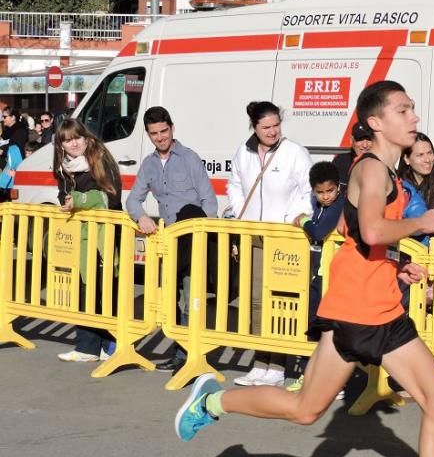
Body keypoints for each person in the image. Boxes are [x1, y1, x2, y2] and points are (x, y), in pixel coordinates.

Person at [175, 80, 434, 457]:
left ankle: (211, 403)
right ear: (376, 123)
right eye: (404, 110)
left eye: (412, 109)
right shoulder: (373, 171)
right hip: (370, 315)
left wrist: (396, 263)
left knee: (307, 410)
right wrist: (422, 225)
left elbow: (357, 239)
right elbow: (371, 226)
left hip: (359, 307)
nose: (414, 118)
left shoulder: (382, 171)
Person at [126, 106, 218, 372]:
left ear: (172, 128)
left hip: (193, 240)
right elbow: (134, 199)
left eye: (163, 131)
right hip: (167, 243)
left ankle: (191, 355)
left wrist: (204, 240)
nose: (160, 137)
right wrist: (141, 216)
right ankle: (181, 351)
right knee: (170, 299)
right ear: (148, 134)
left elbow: (208, 202)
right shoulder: (149, 164)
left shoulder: (189, 158)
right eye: (154, 133)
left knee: (192, 298)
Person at [228, 101, 313, 387]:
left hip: (283, 239)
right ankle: (260, 361)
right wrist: (242, 215)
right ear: (254, 127)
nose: (273, 131)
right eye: (266, 127)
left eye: (276, 125)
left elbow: (308, 191)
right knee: (254, 301)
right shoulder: (244, 151)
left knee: (279, 301)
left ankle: (277, 364)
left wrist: (292, 218)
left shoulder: (294, 153)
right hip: (253, 235)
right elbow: (235, 184)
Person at [53, 120, 123, 362]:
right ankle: (88, 346)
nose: (73, 143)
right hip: (81, 234)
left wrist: (79, 200)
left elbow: (111, 197)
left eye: (77, 137)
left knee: (105, 287)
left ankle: (109, 342)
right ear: (61, 144)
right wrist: (65, 199)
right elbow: (64, 192)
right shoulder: (64, 166)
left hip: (106, 232)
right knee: (85, 286)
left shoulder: (101, 157)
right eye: (67, 139)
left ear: (85, 137)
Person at [287, 160, 345, 393]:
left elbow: (319, 231)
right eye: (320, 192)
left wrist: (303, 221)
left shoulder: (339, 205)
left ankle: (333, 379)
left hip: (335, 274)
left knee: (328, 325)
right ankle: (308, 372)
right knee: (311, 322)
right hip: (318, 273)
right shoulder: (319, 205)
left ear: (338, 188)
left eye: (330, 191)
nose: (326, 196)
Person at [398, 132, 434, 238]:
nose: (427, 160)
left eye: (430, 153)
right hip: (410, 243)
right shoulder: (401, 182)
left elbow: (432, 224)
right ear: (407, 159)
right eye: (420, 155)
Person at [333, 122, 373, 187]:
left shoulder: (383, 162)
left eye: (369, 139)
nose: (365, 145)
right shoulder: (340, 161)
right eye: (360, 139)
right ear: (351, 140)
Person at [0, 109, 24, 202]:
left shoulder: (20, 131)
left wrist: (2, 149)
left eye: (5, 116)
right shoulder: (8, 130)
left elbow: (15, 148)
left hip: (13, 168)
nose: (3, 119)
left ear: (13, 117)